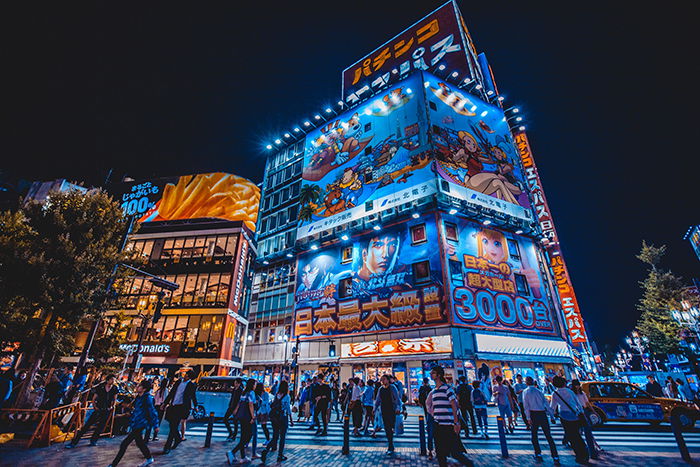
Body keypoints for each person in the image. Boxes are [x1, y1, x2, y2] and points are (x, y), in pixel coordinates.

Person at [106, 379, 157, 467]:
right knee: (140, 443)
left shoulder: (147, 398)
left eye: (139, 386)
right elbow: (137, 410)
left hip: (140, 424)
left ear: (144, 389)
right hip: (135, 423)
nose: (137, 387)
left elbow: (152, 412)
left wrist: (155, 425)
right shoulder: (138, 397)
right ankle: (149, 458)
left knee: (124, 444)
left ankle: (114, 464)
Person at [429, 366, 473, 467]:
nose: (431, 374)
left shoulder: (447, 389)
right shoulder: (434, 390)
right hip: (438, 425)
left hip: (448, 425)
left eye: (433, 373)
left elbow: (454, 405)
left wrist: (456, 422)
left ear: (439, 375)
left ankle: (470, 465)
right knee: (440, 453)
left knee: (455, 452)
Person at [66, 374, 118, 448]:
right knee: (87, 426)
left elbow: (114, 399)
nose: (113, 381)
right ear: (108, 380)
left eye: (114, 380)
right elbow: (94, 398)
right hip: (98, 408)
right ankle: (74, 442)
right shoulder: (101, 387)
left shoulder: (115, 388)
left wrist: (112, 406)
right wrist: (95, 406)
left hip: (106, 409)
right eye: (112, 379)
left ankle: (93, 441)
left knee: (100, 427)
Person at [550, 376, 588, 464]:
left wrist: (552, 416)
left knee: (571, 437)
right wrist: (582, 413)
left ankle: (578, 455)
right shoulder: (569, 391)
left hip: (564, 416)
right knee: (577, 435)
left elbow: (552, 407)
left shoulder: (555, 393)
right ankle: (584, 454)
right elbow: (577, 403)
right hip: (574, 415)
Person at [522, 376, 559, 464]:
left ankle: (538, 454)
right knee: (548, 436)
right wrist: (552, 416)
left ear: (526, 383)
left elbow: (526, 406)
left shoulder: (526, 392)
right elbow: (546, 404)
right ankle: (555, 456)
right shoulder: (539, 391)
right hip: (542, 414)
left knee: (534, 435)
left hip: (533, 414)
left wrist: (528, 418)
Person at [162, 369, 198, 454]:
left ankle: (167, 447)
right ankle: (177, 438)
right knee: (172, 425)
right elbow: (171, 393)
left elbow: (193, 396)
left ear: (189, 377)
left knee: (173, 426)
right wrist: (165, 403)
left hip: (181, 408)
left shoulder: (191, 385)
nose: (184, 375)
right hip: (173, 406)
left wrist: (196, 406)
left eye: (186, 374)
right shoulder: (178, 382)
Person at [227, 378, 257, 465]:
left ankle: (243, 457)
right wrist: (253, 417)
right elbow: (251, 405)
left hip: (242, 417)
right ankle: (232, 452)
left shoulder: (244, 392)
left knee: (243, 436)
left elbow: (239, 403)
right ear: (252, 385)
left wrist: (236, 412)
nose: (255, 386)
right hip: (248, 417)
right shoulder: (251, 393)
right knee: (248, 435)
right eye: (254, 384)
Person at [261, 380, 292, 464]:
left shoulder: (276, 395)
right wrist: (291, 419)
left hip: (275, 418)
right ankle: (280, 455)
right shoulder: (287, 396)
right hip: (283, 418)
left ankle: (266, 450)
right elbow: (288, 409)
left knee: (275, 436)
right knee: (282, 437)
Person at [571, 379, 599, 460]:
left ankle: (592, 451)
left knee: (587, 431)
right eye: (576, 385)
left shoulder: (582, 393)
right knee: (579, 432)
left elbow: (587, 403)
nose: (577, 386)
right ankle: (584, 451)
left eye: (578, 385)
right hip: (578, 413)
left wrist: (594, 411)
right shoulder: (572, 394)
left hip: (584, 411)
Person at [373, 374, 400, 456]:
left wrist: (398, 408)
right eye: (382, 379)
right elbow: (378, 400)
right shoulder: (381, 389)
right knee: (387, 428)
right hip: (384, 411)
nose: (383, 381)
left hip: (392, 410)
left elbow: (397, 399)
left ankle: (391, 442)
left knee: (391, 427)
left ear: (388, 380)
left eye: (384, 379)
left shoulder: (392, 388)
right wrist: (374, 408)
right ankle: (390, 446)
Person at [146, 377, 168, 442]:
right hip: (161, 406)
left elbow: (155, 398)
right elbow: (165, 399)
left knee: (152, 420)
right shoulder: (165, 390)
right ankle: (155, 436)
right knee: (158, 421)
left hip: (156, 406)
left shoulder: (158, 390)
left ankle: (148, 436)